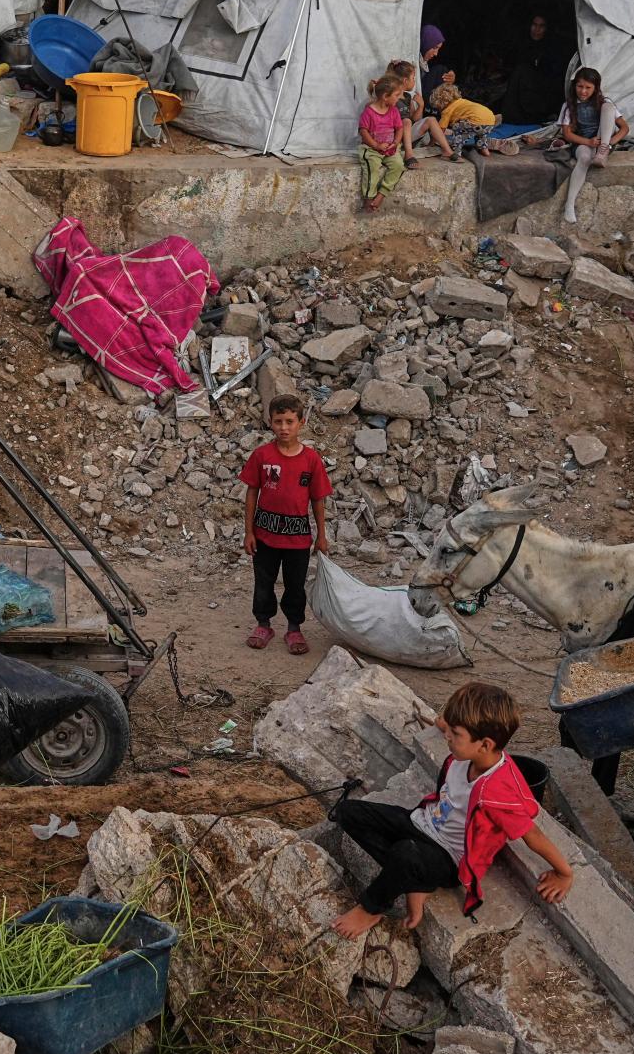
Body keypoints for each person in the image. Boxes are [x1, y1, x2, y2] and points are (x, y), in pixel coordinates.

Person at [327, 682, 574, 937]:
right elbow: (446, 722)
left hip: (447, 857)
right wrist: (448, 722)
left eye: (455, 734)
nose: (447, 737)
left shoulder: (496, 792)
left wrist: (564, 873)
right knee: (348, 812)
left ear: (485, 745)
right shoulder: (468, 752)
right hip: (421, 823)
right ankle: (415, 880)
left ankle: (371, 908)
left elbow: (532, 835)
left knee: (405, 854)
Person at [242, 395, 332, 656]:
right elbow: (251, 492)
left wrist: (321, 536)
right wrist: (249, 532)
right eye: (278, 421)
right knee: (263, 582)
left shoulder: (311, 460)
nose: (284, 427)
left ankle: (294, 628)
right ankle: (263, 624)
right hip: (264, 535)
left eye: (290, 421)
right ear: (270, 423)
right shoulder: (262, 456)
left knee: (295, 585)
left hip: (298, 539)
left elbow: (318, 499)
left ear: (301, 422)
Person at [530, 67, 628, 225]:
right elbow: (567, 134)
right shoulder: (569, 106)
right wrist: (588, 142)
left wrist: (609, 142)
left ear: (596, 88)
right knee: (584, 158)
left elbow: (624, 128)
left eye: (588, 87)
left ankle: (602, 153)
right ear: (574, 86)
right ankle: (569, 204)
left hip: (603, 142)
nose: (583, 91)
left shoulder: (603, 102)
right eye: (580, 86)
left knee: (608, 107)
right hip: (583, 141)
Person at [429, 72, 522, 158]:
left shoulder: (446, 110)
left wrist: (431, 143)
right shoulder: (462, 101)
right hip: (489, 119)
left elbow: (440, 130)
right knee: (481, 135)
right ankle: (484, 150)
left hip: (475, 122)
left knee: (458, 130)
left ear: (439, 103)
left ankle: (456, 152)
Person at [358, 70, 409, 212]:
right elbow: (363, 131)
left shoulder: (393, 111)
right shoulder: (369, 111)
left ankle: (381, 194)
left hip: (389, 149)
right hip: (372, 149)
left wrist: (396, 143)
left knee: (399, 165)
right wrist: (376, 145)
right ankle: (369, 198)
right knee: (372, 166)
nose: (399, 98)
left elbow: (399, 128)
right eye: (397, 95)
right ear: (386, 96)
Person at [510, 12, 570, 124]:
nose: (536, 29)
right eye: (534, 25)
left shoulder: (552, 48)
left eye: (541, 26)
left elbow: (553, 76)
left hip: (543, 92)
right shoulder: (522, 44)